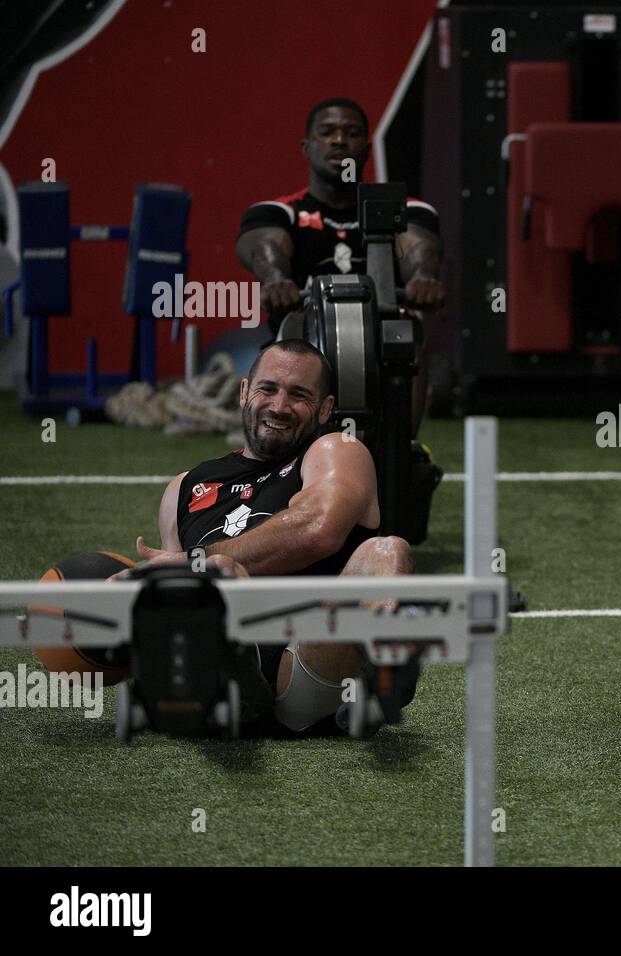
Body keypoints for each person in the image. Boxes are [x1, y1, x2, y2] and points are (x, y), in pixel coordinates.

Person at [120, 338, 413, 732]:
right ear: (244, 392)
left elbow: (318, 529)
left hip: (308, 668)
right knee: (199, 583)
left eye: (299, 395)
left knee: (388, 552)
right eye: (268, 388)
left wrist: (199, 561)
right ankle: (236, 682)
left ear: (325, 408)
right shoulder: (184, 487)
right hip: (216, 666)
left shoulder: (335, 448)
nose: (279, 406)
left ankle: (385, 679)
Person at [235, 96, 445, 434]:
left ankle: (401, 453)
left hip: (383, 357)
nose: (339, 140)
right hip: (304, 349)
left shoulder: (404, 209)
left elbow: (418, 245)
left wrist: (422, 276)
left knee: (406, 331)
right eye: (327, 132)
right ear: (307, 146)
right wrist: (275, 278)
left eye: (351, 133)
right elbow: (265, 246)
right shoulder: (279, 212)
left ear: (366, 147)